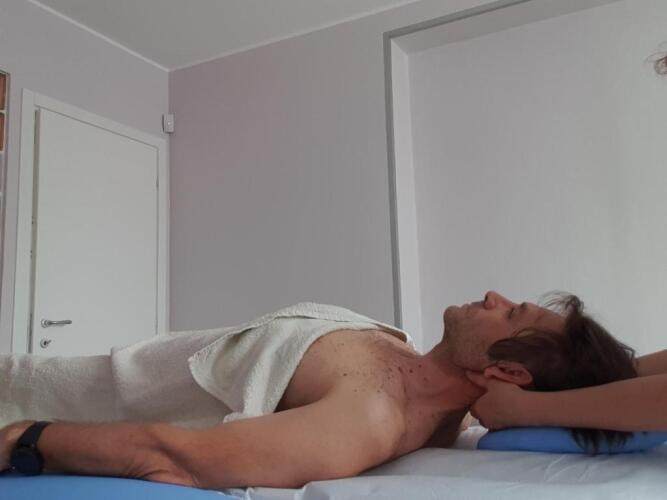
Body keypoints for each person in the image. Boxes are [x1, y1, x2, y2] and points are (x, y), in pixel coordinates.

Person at [0, 291, 638, 489]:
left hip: (29, 408)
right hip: (45, 373)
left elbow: (176, 458)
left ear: (511, 372)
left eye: (512, 314)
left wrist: (26, 438)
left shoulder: (369, 422)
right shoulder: (406, 354)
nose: (495, 296)